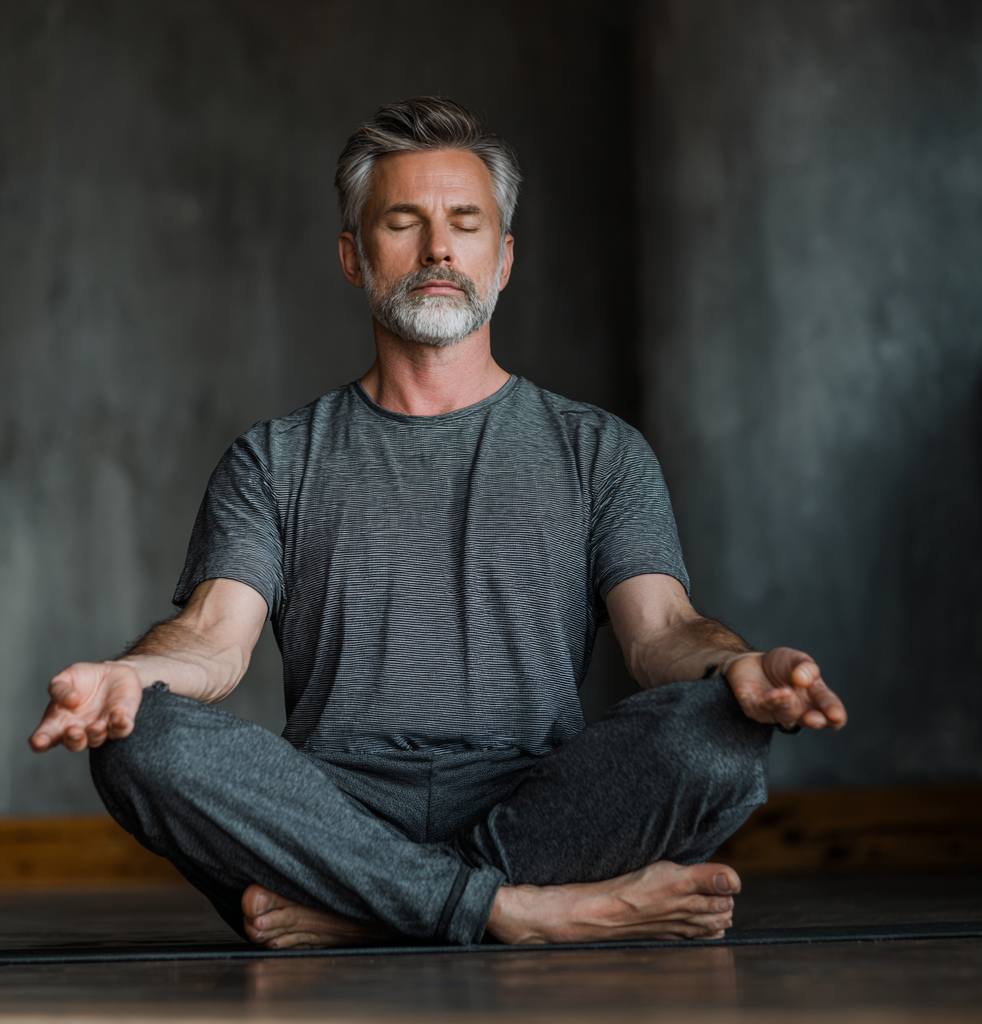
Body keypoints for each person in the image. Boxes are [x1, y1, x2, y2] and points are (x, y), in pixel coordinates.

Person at [29, 97, 847, 950]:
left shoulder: (601, 450)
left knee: (720, 735)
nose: (438, 249)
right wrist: (129, 675)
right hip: (331, 808)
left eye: (465, 222)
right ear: (353, 256)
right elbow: (213, 639)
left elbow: (662, 637)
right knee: (140, 740)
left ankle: (368, 911)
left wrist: (738, 665)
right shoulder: (271, 460)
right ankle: (518, 913)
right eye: (402, 222)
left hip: (537, 804)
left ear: (504, 258)